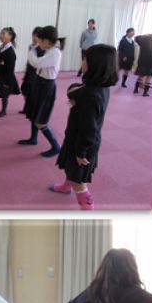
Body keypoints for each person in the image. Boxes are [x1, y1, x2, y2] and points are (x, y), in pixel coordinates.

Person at [49, 44, 118, 210]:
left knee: (78, 180)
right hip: (78, 138)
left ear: (94, 64)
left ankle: (88, 207)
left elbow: (89, 129)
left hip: (82, 144)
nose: (82, 61)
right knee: (71, 168)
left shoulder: (89, 94)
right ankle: (66, 187)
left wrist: (81, 152)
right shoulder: (100, 87)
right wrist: (74, 96)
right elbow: (73, 91)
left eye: (85, 59)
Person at [18, 25, 63, 157]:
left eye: (41, 40)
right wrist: (35, 48)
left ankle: (56, 147)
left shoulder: (55, 53)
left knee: (41, 120)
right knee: (34, 114)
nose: (39, 42)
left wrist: (32, 49)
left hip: (46, 87)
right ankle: (33, 139)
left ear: (47, 41)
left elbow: (37, 63)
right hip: (40, 82)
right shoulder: (48, 50)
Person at [19, 27, 45, 113]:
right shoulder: (31, 46)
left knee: (32, 93)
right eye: (33, 35)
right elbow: (29, 59)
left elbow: (39, 62)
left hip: (35, 74)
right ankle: (26, 107)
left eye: (37, 36)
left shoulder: (42, 48)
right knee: (24, 91)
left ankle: (29, 109)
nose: (34, 38)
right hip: (29, 71)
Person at [133, 32, 152, 97]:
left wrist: (145, 35)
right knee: (149, 77)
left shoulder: (146, 38)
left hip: (143, 61)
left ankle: (135, 90)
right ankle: (145, 93)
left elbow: (136, 38)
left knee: (141, 75)